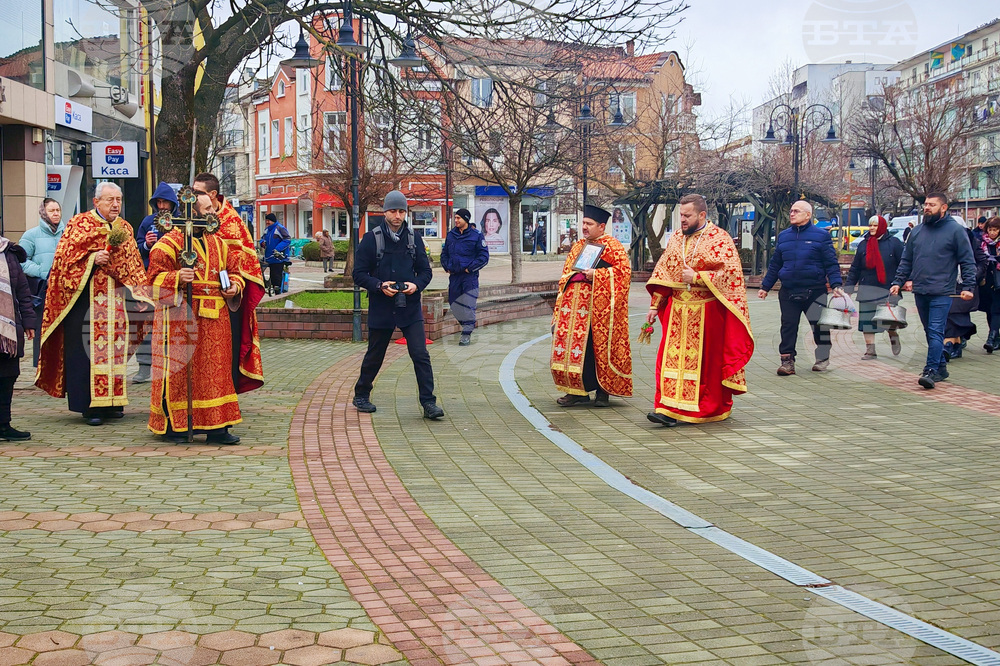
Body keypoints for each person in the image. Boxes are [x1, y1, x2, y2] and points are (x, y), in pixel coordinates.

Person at [36, 182, 151, 426]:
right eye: (110, 200)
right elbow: (63, 264)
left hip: (117, 303)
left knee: (115, 352)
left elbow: (133, 266)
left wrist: (141, 295)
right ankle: (89, 406)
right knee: (86, 352)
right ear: (96, 202)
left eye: (118, 200)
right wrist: (92, 258)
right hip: (84, 302)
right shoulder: (80, 225)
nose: (116, 205)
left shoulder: (126, 228)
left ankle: (112, 402)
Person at [645, 194, 753, 426]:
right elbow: (665, 272)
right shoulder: (675, 238)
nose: (682, 220)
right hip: (677, 312)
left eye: (687, 215)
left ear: (702, 215)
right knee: (668, 359)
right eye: (680, 215)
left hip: (706, 312)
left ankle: (703, 409)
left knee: (705, 365)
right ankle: (666, 408)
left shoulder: (719, 238)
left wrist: (698, 276)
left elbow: (731, 275)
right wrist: (655, 305)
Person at [146, 190, 245, 444]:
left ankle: (217, 427)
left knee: (216, 374)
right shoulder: (167, 244)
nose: (213, 213)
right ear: (192, 213)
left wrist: (234, 286)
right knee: (181, 373)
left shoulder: (219, 244)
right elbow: (152, 283)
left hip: (216, 321)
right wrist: (177, 277)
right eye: (208, 210)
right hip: (181, 317)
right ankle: (177, 425)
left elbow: (234, 271)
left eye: (213, 209)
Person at [352, 191, 443, 419]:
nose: (398, 216)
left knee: (420, 354)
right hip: (382, 305)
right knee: (376, 353)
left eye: (402, 211)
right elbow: (359, 274)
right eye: (393, 211)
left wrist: (416, 285)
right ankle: (361, 394)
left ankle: (429, 403)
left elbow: (425, 272)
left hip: (409, 306)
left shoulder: (414, 238)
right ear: (385, 212)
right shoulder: (371, 238)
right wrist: (379, 285)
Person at [890, 193, 976, 389]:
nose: (926, 207)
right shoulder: (918, 231)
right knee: (930, 332)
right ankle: (942, 368)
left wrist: (969, 286)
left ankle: (930, 370)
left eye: (932, 204)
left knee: (936, 330)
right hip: (921, 290)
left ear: (943, 208)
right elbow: (907, 260)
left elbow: (967, 260)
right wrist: (898, 281)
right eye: (926, 204)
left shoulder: (956, 231)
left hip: (942, 291)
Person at [550, 204, 632, 408]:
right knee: (579, 350)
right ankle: (577, 391)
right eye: (583, 223)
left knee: (599, 349)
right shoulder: (578, 246)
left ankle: (603, 392)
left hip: (600, 311)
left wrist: (597, 275)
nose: (584, 227)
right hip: (575, 311)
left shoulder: (613, 246)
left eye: (589, 224)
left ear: (601, 226)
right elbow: (566, 274)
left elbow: (623, 275)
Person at [192, 172, 265, 394]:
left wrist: (235, 285)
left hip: (224, 300)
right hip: (193, 300)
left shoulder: (232, 222)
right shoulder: (186, 220)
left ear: (212, 195)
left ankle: (226, 397)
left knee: (225, 351)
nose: (193, 196)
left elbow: (244, 262)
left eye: (199, 192)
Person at [758, 200, 844, 375]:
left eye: (796, 211)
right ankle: (787, 362)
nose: (791, 213)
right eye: (791, 211)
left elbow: (831, 263)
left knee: (819, 325)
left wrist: (836, 284)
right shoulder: (783, 236)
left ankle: (822, 357)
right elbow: (775, 264)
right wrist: (765, 286)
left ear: (808, 214)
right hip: (788, 289)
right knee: (788, 325)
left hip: (815, 290)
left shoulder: (821, 236)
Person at [130, 182, 178, 384]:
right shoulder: (148, 221)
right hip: (150, 279)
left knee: (175, 324)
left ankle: (173, 365)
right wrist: (146, 244)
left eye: (165, 202)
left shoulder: (181, 222)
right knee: (147, 322)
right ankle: (144, 367)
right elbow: (136, 246)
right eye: (158, 202)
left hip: (174, 278)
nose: (161, 206)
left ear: (172, 203)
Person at [844, 215, 905, 360]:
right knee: (867, 320)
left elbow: (903, 265)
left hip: (888, 288)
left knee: (888, 320)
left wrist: (901, 282)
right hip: (867, 287)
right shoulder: (863, 244)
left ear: (882, 227)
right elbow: (855, 268)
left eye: (875, 225)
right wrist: (849, 289)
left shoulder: (894, 243)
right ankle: (870, 350)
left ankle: (893, 334)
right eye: (870, 225)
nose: (871, 228)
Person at [0, 236, 38, 441]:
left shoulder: (9, 253)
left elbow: (23, 291)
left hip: (8, 329)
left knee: (7, 376)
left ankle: (4, 425)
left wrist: (29, 322)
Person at [20, 198, 65, 367]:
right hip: (42, 290)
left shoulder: (68, 233)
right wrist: (41, 271)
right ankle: (41, 366)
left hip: (64, 289)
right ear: (43, 213)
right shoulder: (31, 235)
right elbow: (21, 261)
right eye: (51, 210)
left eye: (58, 210)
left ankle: (60, 365)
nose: (55, 214)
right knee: (42, 328)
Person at [440, 208, 489, 346]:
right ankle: (469, 324)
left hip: (469, 277)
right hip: (454, 276)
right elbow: (445, 253)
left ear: (465, 219)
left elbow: (484, 257)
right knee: (454, 304)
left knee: (468, 304)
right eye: (455, 218)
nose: (456, 220)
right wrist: (446, 265)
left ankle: (466, 333)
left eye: (458, 218)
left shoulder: (476, 235)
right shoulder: (451, 235)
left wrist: (470, 268)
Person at [941, 223, 987, 360]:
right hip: (947, 283)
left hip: (965, 284)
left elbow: (982, 262)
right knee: (948, 314)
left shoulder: (972, 241)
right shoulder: (945, 242)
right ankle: (952, 344)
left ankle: (950, 344)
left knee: (957, 314)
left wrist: (972, 276)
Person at [980, 217, 1000, 353]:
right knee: (989, 309)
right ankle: (996, 337)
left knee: (996, 309)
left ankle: (991, 338)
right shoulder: (982, 243)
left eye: (996, 229)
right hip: (987, 280)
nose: (992, 233)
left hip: (999, 280)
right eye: (990, 229)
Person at [260, 213, 291, 295]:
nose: (267, 222)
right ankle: (270, 287)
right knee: (267, 274)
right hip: (269, 257)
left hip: (278, 257)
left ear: (273, 221)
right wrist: (262, 243)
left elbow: (287, 240)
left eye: (269, 220)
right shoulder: (267, 230)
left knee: (276, 275)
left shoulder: (280, 228)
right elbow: (262, 238)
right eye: (266, 220)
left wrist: (277, 249)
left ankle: (278, 292)